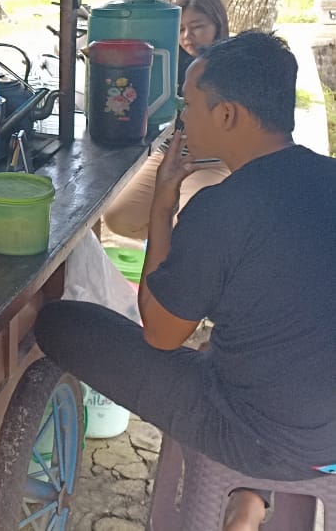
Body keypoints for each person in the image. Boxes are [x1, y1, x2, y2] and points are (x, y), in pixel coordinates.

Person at [36, 32, 336, 531]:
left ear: (227, 115)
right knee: (243, 351)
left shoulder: (223, 208)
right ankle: (249, 501)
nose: (183, 120)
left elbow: (161, 334)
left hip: (258, 435)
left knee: (60, 322)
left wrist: (162, 208)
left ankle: (249, 491)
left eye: (190, 105)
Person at [102, 0, 231, 240]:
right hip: (167, 156)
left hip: (212, 162)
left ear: (218, 25)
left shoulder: (231, 65)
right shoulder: (166, 61)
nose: (187, 36)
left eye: (197, 27)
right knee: (118, 218)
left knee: (191, 225)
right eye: (181, 29)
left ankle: (179, 248)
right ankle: (174, 242)